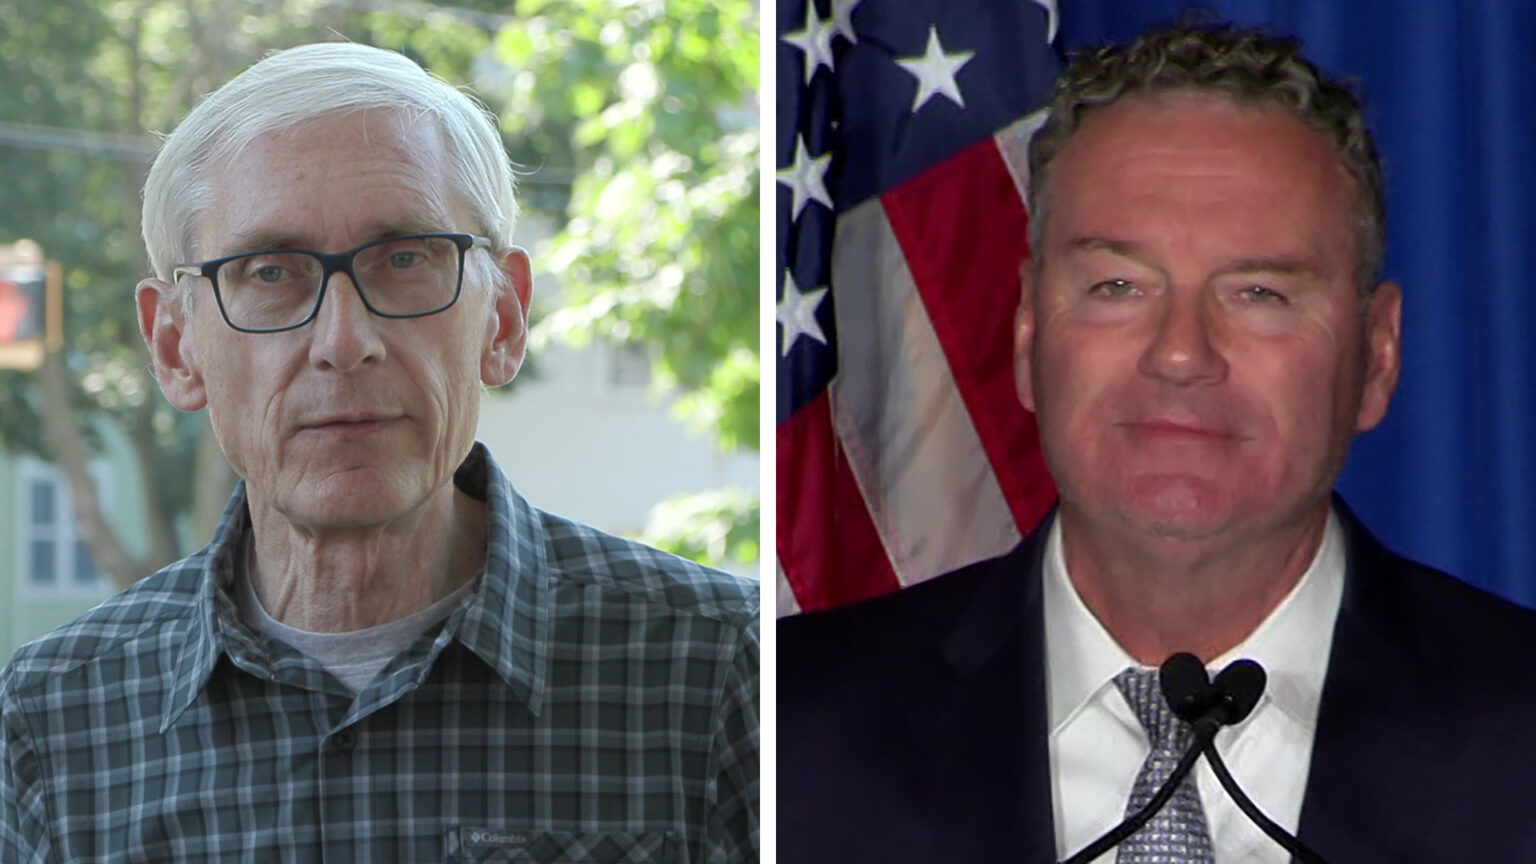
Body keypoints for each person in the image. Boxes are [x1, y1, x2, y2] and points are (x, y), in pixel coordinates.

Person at [780, 19, 1536, 863]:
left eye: (1258, 293)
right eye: (1118, 285)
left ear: (1378, 358)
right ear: (1029, 334)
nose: (1181, 353)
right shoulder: (787, 735)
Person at [0, 42, 758, 862]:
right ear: (177, 347)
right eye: (269, 272)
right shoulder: (50, 721)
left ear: (502, 321)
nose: (343, 341)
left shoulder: (726, 671)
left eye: (404, 259)